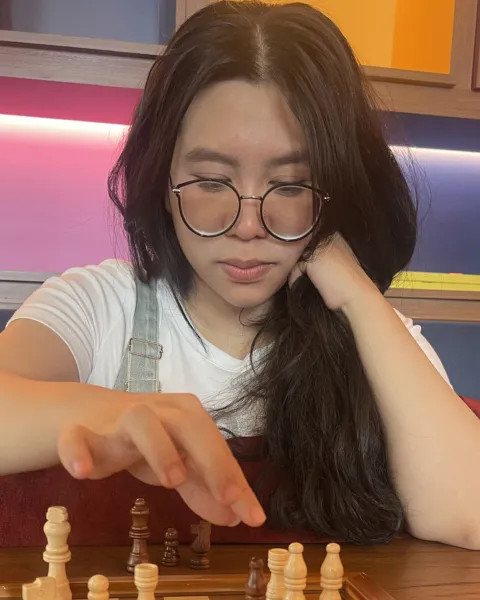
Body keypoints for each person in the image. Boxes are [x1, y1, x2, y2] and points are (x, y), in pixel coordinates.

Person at [1, 0, 479, 549]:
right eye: (210, 181)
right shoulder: (98, 305)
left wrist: (356, 291)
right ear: (164, 183)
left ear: (332, 191)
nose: (248, 225)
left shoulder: (378, 335)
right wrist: (118, 411)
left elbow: (469, 512)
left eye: (291, 186)